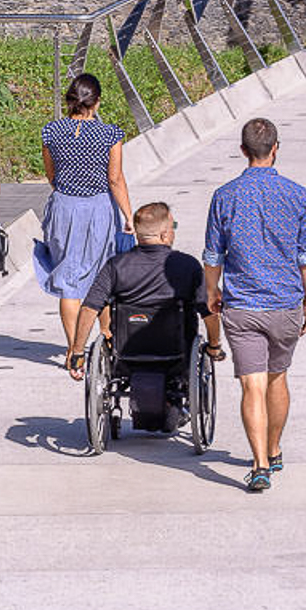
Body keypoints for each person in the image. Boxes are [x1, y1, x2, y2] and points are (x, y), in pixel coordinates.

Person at [203, 118, 306, 493]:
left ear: (242, 150)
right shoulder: (297, 194)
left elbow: (212, 255)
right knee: (278, 377)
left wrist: (212, 292)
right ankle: (274, 447)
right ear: (276, 148)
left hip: (242, 305)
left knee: (252, 387)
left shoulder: (224, 196)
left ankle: (260, 464)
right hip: (285, 302)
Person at [65, 201, 224, 381]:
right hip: (178, 356)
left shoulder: (116, 266)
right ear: (165, 235)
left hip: (126, 356)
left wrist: (78, 353)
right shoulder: (187, 266)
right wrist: (214, 346)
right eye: (173, 227)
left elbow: (89, 308)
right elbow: (208, 312)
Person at [38, 73, 133, 353]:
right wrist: (128, 214)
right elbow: (115, 179)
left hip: (63, 207)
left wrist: (67, 192)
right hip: (99, 208)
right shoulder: (110, 134)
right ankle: (106, 335)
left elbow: (51, 174)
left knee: (69, 279)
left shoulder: (50, 131)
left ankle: (73, 350)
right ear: (97, 102)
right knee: (101, 274)